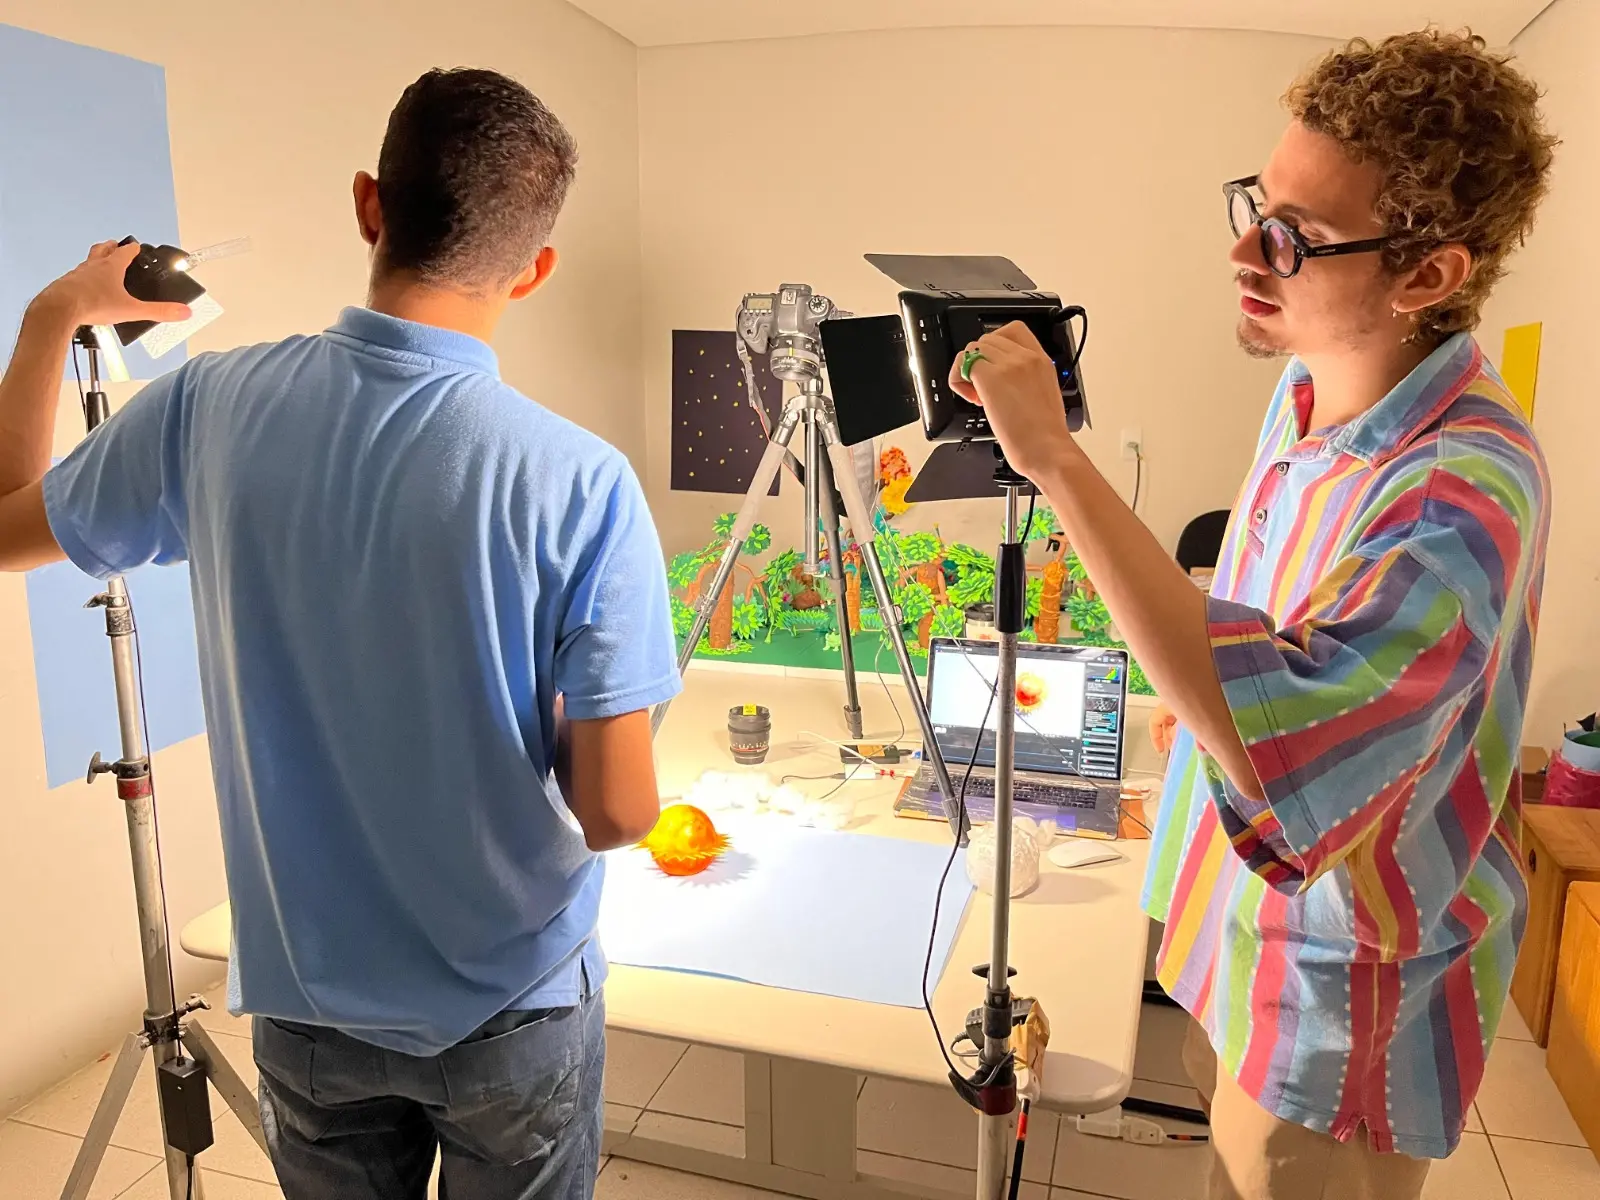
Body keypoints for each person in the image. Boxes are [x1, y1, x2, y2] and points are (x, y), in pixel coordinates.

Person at [0, 68, 678, 1199]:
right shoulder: (581, 481)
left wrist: (51, 316)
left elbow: (7, 527)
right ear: (536, 269)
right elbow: (615, 813)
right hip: (510, 1008)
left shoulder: (207, 408)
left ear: (369, 204)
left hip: (310, 1001)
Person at [948, 29, 1555, 1200]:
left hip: (1336, 1001)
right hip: (1229, 935)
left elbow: (1289, 750)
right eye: (1254, 204)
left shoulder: (1456, 498)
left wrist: (1058, 464)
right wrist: (1193, 714)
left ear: (1427, 277)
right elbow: (1272, 620)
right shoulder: (1311, 380)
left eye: (1294, 236)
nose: (1243, 251)